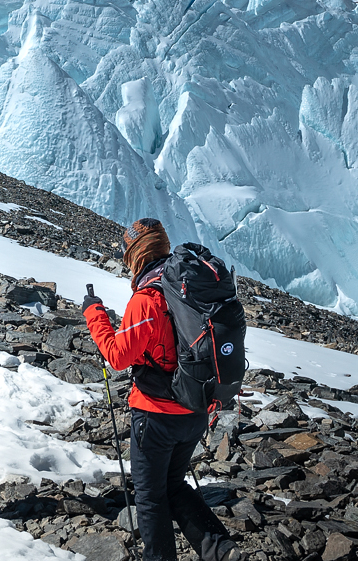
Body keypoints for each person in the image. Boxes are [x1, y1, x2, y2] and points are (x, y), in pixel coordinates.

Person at [82, 218, 239, 561]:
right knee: (173, 484)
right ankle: (221, 550)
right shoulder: (189, 289)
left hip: (155, 416)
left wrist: (95, 314)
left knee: (150, 497)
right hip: (196, 409)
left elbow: (118, 356)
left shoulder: (148, 298)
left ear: (135, 253)